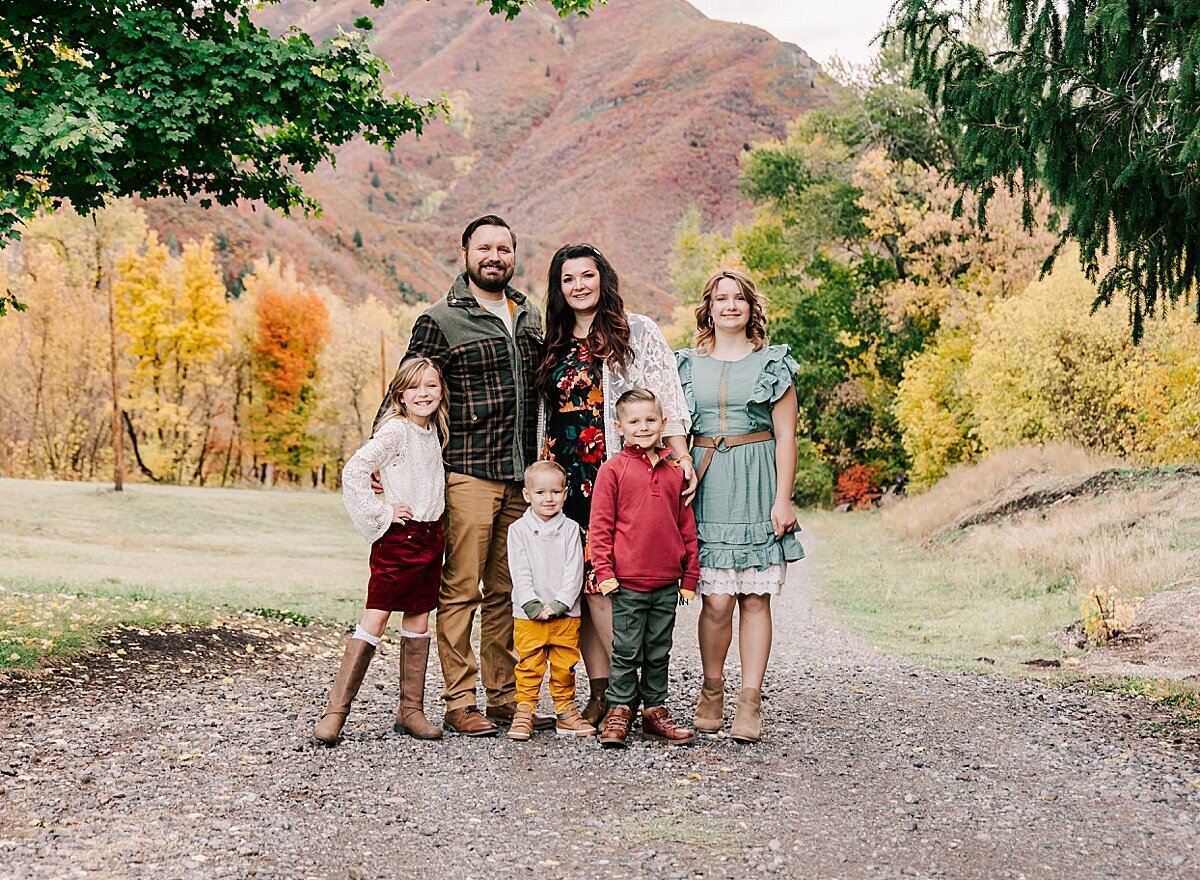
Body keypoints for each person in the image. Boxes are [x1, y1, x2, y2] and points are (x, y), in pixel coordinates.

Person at [397, 215, 553, 737]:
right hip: (466, 472)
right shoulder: (440, 320)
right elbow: (404, 391)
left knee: (506, 592)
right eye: (484, 247)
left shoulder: (529, 315)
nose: (494, 256)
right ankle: (460, 700)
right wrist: (384, 464)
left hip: (521, 479)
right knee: (461, 589)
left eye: (503, 248)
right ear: (464, 253)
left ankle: (506, 697)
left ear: (514, 254)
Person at [533, 242, 695, 728]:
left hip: (617, 471)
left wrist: (680, 455)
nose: (579, 285)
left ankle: (639, 696)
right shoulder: (554, 339)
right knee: (583, 582)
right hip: (565, 474)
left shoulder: (635, 331)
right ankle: (602, 692)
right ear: (559, 288)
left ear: (603, 278)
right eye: (568, 279)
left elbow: (667, 394)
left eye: (587, 275)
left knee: (614, 584)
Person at [676, 269, 804, 743]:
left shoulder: (774, 363)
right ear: (708, 308)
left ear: (751, 307)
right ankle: (712, 690)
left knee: (754, 597)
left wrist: (782, 499)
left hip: (757, 480)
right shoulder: (685, 365)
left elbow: (787, 436)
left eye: (738, 299)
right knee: (715, 601)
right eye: (720, 299)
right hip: (708, 485)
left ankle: (750, 701)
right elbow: (675, 431)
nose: (730, 306)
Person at [315, 358, 449, 746]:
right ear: (400, 395)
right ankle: (335, 713)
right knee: (375, 620)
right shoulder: (395, 431)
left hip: (430, 537)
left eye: (431, 387)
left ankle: (410, 711)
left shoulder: (433, 432)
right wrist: (382, 511)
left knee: (419, 621)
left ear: (441, 393)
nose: (423, 394)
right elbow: (355, 470)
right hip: (400, 539)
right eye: (414, 388)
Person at [589, 388, 699, 749]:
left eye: (650, 420)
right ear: (619, 427)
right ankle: (619, 709)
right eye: (634, 422)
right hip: (627, 583)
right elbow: (601, 528)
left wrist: (689, 576)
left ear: (664, 424)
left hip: (667, 583)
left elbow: (687, 528)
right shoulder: (613, 470)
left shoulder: (673, 474)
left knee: (658, 649)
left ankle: (654, 711)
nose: (643, 427)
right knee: (625, 650)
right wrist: (604, 573)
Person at [505, 460, 595, 741]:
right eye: (541, 493)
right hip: (528, 613)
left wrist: (561, 603)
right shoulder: (518, 530)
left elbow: (574, 569)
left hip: (564, 613)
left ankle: (565, 711)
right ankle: (525, 710)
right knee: (529, 664)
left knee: (564, 664)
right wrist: (531, 603)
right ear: (527, 495)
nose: (548, 499)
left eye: (555, 492)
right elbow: (519, 570)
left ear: (565, 494)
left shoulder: (570, 529)